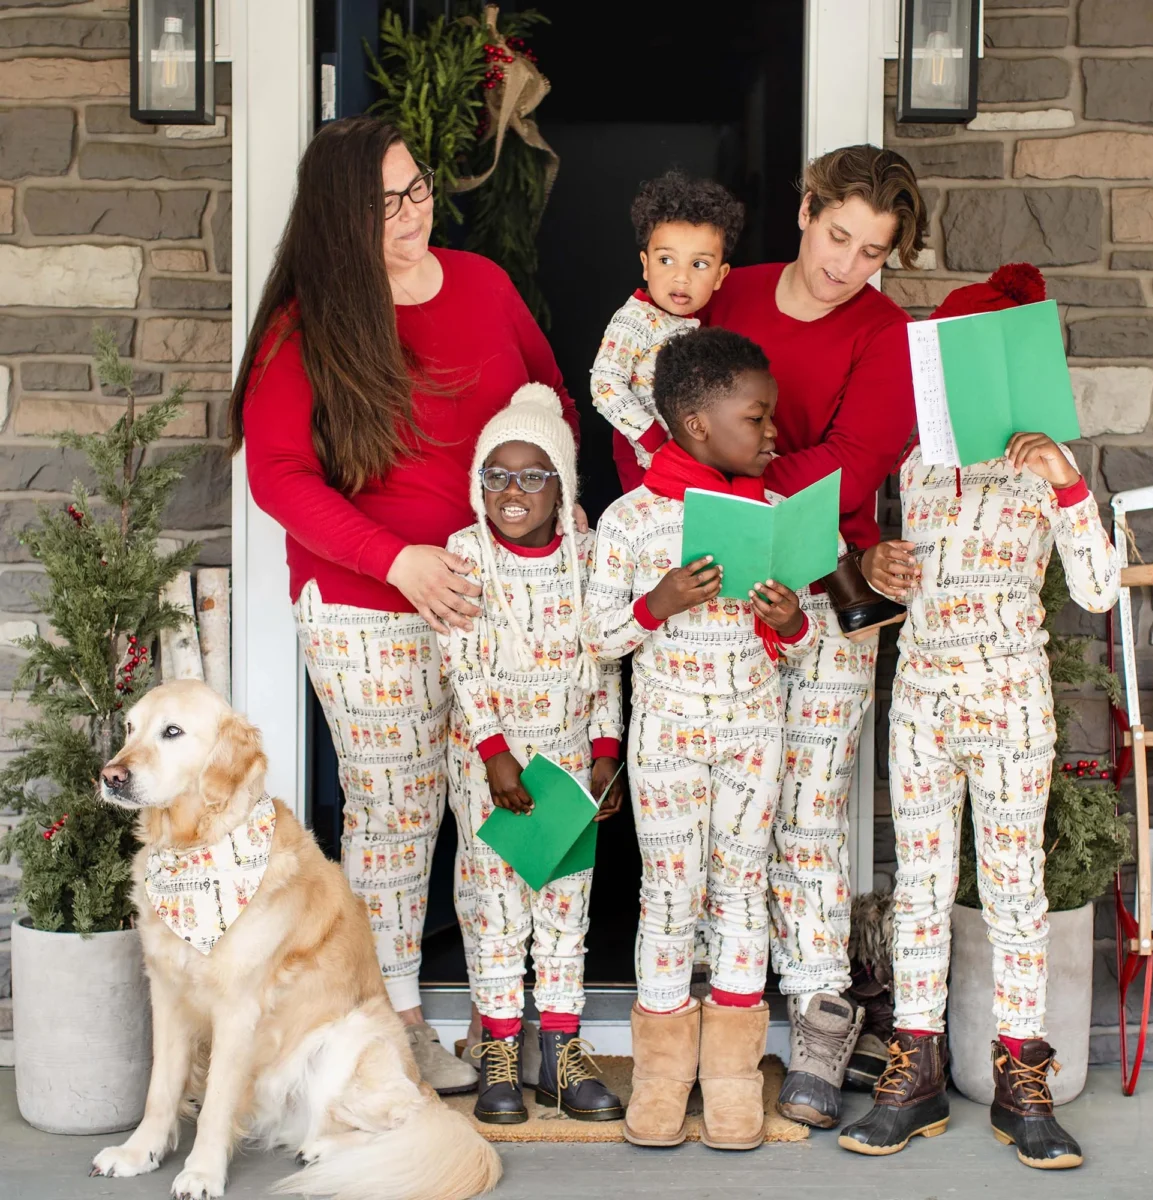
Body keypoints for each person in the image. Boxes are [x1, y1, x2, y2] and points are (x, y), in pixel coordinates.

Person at [229, 115, 578, 1094]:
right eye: (384, 202)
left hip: (497, 605)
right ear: (340, 216)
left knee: (501, 808)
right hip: (366, 608)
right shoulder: (312, 321)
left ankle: (505, 1019)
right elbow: (283, 479)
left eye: (417, 189)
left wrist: (546, 529)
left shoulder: (483, 285)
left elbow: (550, 401)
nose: (411, 213)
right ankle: (392, 1022)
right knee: (396, 813)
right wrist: (400, 562)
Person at [838, 265, 1119, 1169]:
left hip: (1006, 703)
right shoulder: (920, 458)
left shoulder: (1048, 472)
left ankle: (1020, 1079)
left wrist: (1068, 484)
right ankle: (913, 1074)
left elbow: (1101, 590)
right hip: (920, 698)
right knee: (918, 885)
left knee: (1013, 896)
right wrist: (876, 560)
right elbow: (882, 561)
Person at [703, 143, 929, 1128]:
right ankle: (720, 1013)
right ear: (804, 211)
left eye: (870, 252)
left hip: (836, 592)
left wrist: (736, 471)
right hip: (723, 582)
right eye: (838, 235)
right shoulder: (728, 293)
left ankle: (822, 1018)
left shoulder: (885, 331)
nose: (846, 266)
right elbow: (660, 411)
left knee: (812, 813)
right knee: (726, 808)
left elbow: (857, 459)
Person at [582, 328, 819, 1152]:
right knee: (670, 898)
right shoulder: (632, 521)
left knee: (741, 891)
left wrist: (790, 620)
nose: (771, 434)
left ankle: (729, 1075)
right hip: (668, 742)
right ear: (693, 423)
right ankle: (659, 1074)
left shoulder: (780, 515)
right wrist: (660, 602)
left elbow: (806, 641)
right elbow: (599, 637)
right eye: (756, 419)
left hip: (754, 733)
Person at [438, 382, 626, 1125]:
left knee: (564, 911)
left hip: (566, 766)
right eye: (496, 475)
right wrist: (492, 755)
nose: (512, 491)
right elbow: (463, 661)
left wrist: (604, 754)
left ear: (563, 487)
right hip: (494, 766)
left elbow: (604, 659)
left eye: (532, 476)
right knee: (497, 912)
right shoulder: (466, 552)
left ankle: (561, 1052)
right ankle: (499, 1056)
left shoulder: (587, 556)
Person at [593, 170, 744, 492]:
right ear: (645, 264)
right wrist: (653, 439)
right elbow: (604, 384)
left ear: (720, 275)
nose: (681, 278)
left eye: (699, 264)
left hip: (686, 458)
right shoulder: (634, 319)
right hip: (647, 460)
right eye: (666, 260)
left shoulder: (694, 327)